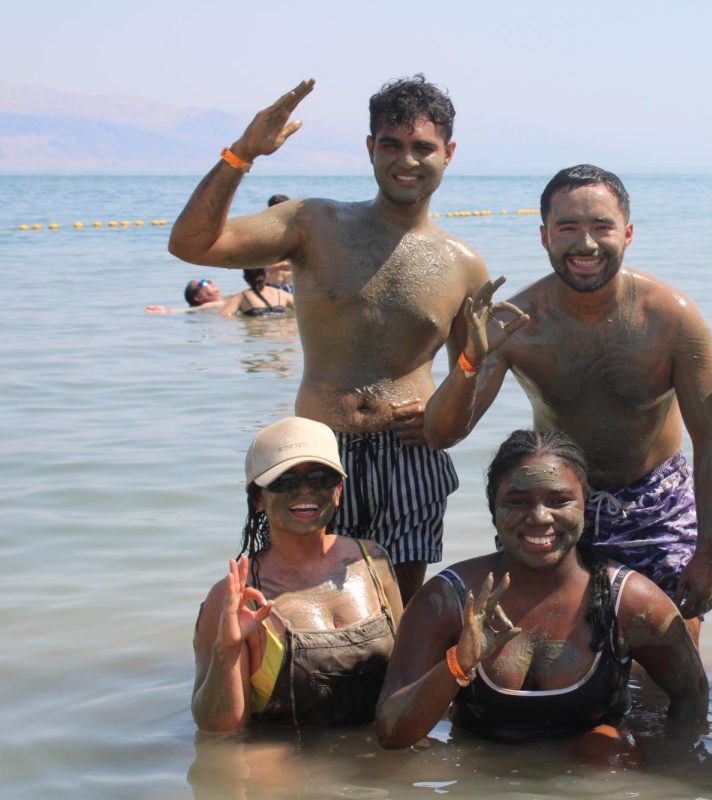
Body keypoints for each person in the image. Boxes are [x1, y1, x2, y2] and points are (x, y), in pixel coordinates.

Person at [168, 76, 510, 604]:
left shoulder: (462, 264)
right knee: (296, 605)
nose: (407, 161)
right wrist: (241, 155)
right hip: (317, 454)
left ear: (449, 154)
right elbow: (192, 244)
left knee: (395, 612)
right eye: (392, 145)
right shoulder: (315, 223)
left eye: (423, 148)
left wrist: (446, 423)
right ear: (370, 148)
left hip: (409, 459)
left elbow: (481, 364)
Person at [423, 165, 712, 637]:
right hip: (560, 509)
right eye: (568, 228)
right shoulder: (517, 324)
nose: (585, 244)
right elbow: (443, 434)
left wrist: (706, 553)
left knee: (674, 668)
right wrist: (470, 357)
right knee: (555, 659)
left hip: (656, 506)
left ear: (627, 233)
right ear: (544, 236)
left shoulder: (673, 319)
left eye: (601, 227)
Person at [375, 429, 707, 748]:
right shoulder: (447, 599)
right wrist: (458, 664)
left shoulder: (631, 601)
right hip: (487, 770)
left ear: (585, 506)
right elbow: (391, 732)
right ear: (494, 508)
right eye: (518, 502)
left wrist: (662, 766)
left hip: (590, 777)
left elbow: (691, 697)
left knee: (608, 753)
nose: (539, 517)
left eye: (559, 500)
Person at [191, 417, 404, 730]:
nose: (305, 491)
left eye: (320, 478)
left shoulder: (373, 562)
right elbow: (218, 733)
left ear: (339, 489)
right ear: (257, 498)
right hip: (289, 768)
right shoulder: (235, 597)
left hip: (377, 760)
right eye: (285, 481)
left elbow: (405, 675)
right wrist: (227, 650)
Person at [217, 268, 294, 317]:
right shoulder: (281, 294)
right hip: (281, 337)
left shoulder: (241, 297)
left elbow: (223, 316)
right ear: (266, 275)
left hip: (257, 338)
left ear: (245, 279)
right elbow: (303, 309)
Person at [144, 278, 225, 314]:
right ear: (198, 297)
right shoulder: (209, 306)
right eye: (203, 282)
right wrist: (168, 310)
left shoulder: (228, 300)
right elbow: (200, 308)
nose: (210, 281)